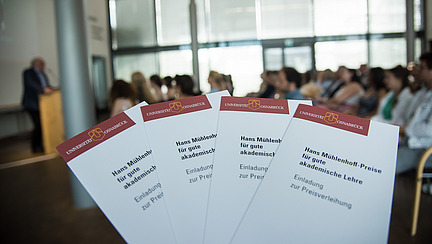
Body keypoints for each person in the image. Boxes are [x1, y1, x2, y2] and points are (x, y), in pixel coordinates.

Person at [397, 52, 432, 175]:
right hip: (408, 141)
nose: (418, 71)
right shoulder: (422, 92)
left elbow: (429, 130)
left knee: (382, 167)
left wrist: (405, 130)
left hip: (422, 148)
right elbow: (408, 116)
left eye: (421, 68)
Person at [22, 57, 53, 153]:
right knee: (38, 125)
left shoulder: (43, 74)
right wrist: (43, 90)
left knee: (44, 125)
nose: (44, 66)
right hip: (32, 104)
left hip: (43, 104)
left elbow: (46, 85)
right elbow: (31, 84)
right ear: (37, 64)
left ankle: (43, 145)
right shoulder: (28, 72)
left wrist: (51, 89)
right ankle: (35, 147)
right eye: (42, 64)